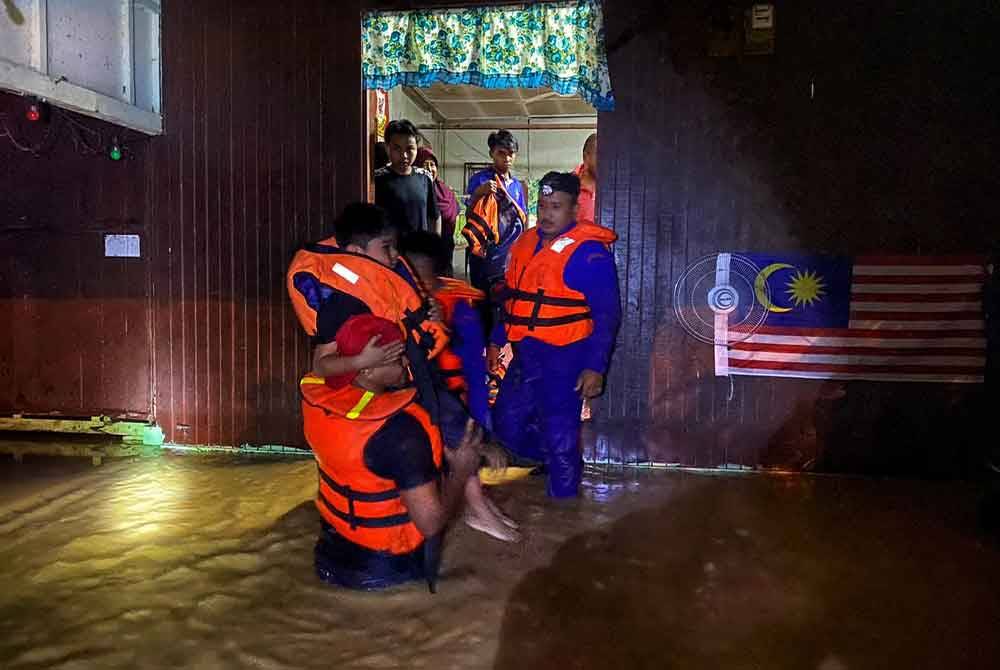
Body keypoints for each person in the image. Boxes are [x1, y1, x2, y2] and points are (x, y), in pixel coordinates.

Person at [302, 314, 483, 591]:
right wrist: (461, 470)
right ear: (367, 370)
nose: (407, 364)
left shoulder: (317, 399)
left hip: (329, 553)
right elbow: (431, 523)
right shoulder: (401, 431)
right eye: (397, 359)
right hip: (384, 571)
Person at [489, 172, 621, 498]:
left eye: (556, 207)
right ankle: (544, 461)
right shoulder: (525, 244)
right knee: (506, 422)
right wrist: (496, 339)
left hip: (566, 356)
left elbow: (607, 315)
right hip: (526, 352)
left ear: (575, 209)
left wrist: (596, 368)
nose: (547, 214)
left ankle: (563, 510)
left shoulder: (589, 254)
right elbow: (511, 298)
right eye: (542, 205)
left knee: (561, 432)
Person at [402, 230, 523, 541]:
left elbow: (473, 371)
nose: (418, 289)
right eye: (410, 280)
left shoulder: (460, 309)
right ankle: (475, 507)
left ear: (440, 277)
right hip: (414, 397)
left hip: (450, 399)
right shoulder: (394, 300)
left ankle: (477, 506)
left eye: (424, 282)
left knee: (463, 435)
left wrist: (485, 428)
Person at [463, 130, 528, 337]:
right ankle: (482, 349)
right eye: (501, 153)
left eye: (511, 153)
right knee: (483, 304)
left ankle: (503, 348)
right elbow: (469, 213)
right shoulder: (479, 180)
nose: (507, 158)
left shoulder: (518, 186)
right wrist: (479, 193)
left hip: (510, 255)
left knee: (508, 304)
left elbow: (523, 219)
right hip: (485, 254)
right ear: (492, 153)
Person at [374, 119, 440, 235]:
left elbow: (434, 216)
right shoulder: (377, 179)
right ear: (387, 148)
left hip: (419, 250)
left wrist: (435, 247)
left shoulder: (424, 178)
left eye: (410, 149)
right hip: (391, 250)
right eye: (397, 148)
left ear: (416, 149)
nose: (404, 155)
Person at [574, 132, 598, 420]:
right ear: (586, 157)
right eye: (597, 154)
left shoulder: (615, 183)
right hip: (574, 275)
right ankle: (577, 398)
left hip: (602, 273)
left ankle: (590, 398)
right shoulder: (570, 187)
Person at [416, 146, 459, 273]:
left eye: (432, 164)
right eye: (424, 164)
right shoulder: (414, 192)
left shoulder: (445, 191)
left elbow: (454, 211)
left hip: (445, 249)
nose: (429, 169)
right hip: (421, 251)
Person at [573, 133, 598, 227]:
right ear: (586, 157)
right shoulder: (565, 188)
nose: (606, 161)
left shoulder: (616, 189)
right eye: (600, 154)